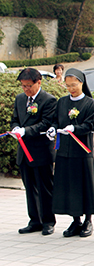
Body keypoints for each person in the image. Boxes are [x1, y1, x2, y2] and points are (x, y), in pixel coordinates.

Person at [48, 68, 94, 238]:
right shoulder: (62, 102)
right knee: (69, 186)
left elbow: (90, 125)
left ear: (82, 83)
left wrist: (75, 128)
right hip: (65, 151)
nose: (71, 89)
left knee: (84, 185)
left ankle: (88, 220)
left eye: (74, 85)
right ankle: (75, 219)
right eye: (68, 85)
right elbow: (56, 121)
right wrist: (53, 129)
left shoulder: (90, 103)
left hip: (82, 151)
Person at [11, 68, 57, 235]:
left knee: (44, 187)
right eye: (23, 86)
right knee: (29, 188)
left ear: (39, 82)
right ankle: (34, 220)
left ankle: (48, 221)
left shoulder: (48, 100)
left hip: (41, 150)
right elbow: (14, 118)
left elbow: (45, 123)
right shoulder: (20, 99)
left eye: (29, 86)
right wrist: (15, 128)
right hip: (24, 151)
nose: (26, 89)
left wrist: (26, 131)